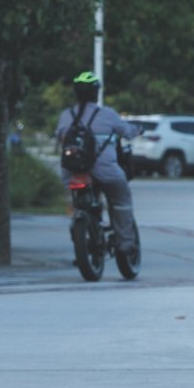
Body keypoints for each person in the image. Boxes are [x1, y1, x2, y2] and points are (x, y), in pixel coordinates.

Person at [55, 71, 141, 254]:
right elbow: (128, 132)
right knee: (120, 199)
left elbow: (60, 137)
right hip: (106, 172)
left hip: (73, 173)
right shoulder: (107, 114)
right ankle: (125, 243)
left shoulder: (66, 115)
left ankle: (80, 234)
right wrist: (139, 129)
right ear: (96, 93)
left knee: (77, 204)